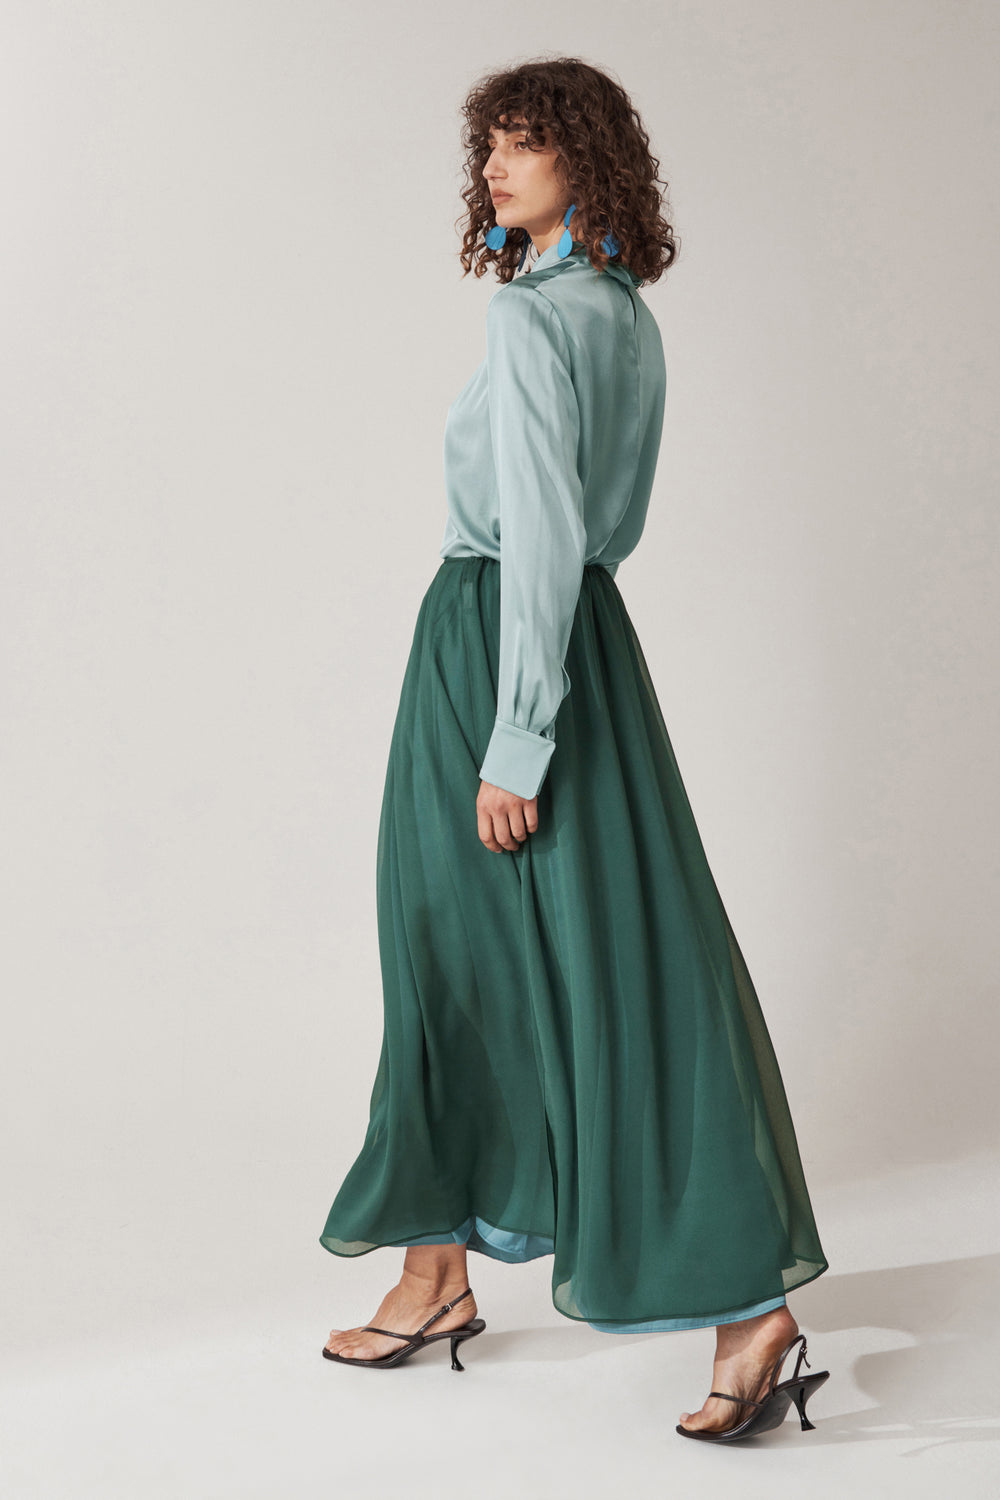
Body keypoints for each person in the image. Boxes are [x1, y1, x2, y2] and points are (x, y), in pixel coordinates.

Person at [318, 57, 830, 1441]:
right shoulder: (625, 317)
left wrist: (516, 737)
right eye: (487, 144)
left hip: (499, 643)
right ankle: (445, 1273)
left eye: (524, 143)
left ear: (583, 161)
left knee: (460, 957)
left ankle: (719, 1303)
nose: (494, 167)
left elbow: (542, 524)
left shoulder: (532, 319)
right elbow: (599, 532)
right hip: (580, 640)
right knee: (606, 958)